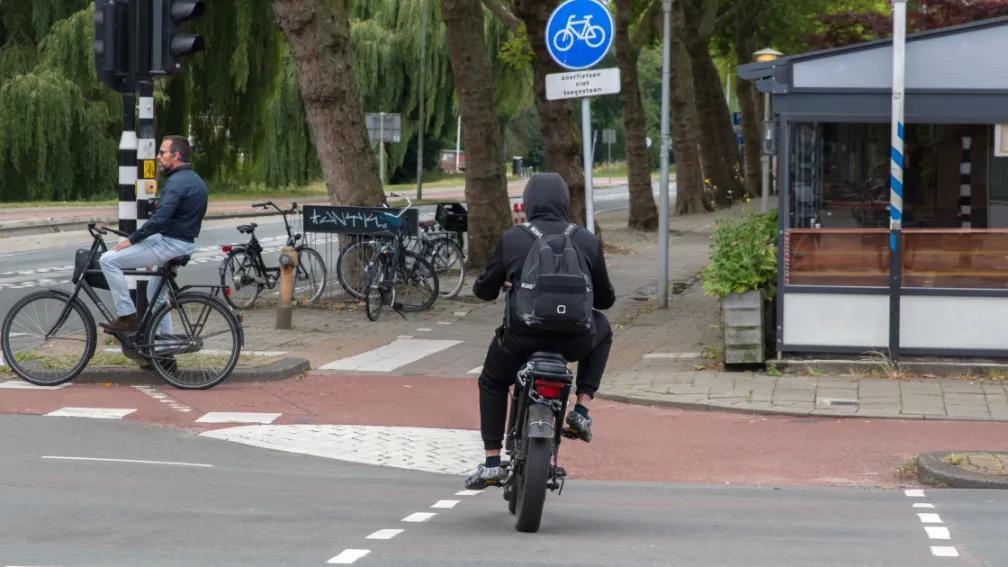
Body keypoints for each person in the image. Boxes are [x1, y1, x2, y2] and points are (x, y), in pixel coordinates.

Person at [465, 173, 615, 490]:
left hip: (521, 339)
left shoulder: (514, 238)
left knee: (492, 381)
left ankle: (491, 463)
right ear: (565, 202)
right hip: (574, 342)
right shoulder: (585, 239)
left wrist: (503, 282)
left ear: (528, 202)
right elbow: (606, 300)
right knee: (603, 327)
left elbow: (484, 291)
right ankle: (582, 409)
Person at [99, 135, 208, 333]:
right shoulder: (195, 180)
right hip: (183, 242)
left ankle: (127, 316)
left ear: (176, 155)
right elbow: (175, 218)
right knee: (155, 296)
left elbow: (160, 220)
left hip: (171, 244)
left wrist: (132, 240)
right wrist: (147, 247)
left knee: (108, 260)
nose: (158, 157)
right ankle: (166, 348)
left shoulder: (176, 183)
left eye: (162, 152)